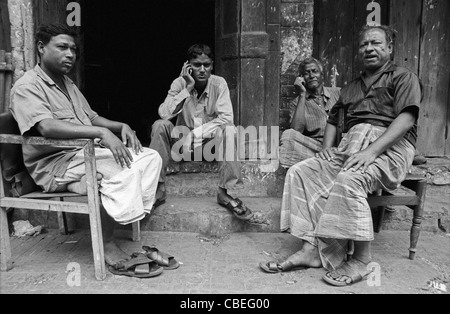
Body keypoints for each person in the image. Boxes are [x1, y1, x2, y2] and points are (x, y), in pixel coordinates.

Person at [260, 25, 422, 287]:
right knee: (300, 172)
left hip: (389, 146)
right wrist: (326, 147)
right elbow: (334, 119)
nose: (369, 48)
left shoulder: (403, 77)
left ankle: (361, 259)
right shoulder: (351, 87)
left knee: (350, 178)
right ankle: (310, 249)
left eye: (376, 43)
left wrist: (371, 150)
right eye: (363, 44)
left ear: (389, 48)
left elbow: (406, 119)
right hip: (350, 145)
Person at [10, 23, 163, 271]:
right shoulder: (27, 86)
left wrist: (119, 125)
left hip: (84, 152)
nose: (70, 54)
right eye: (62, 47)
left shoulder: (67, 83)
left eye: (73, 48)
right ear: (41, 47)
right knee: (120, 170)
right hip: (56, 162)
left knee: (150, 157)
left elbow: (90, 117)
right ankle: (108, 243)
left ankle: (127, 212)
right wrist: (102, 134)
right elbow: (46, 128)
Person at [150, 44, 260, 223]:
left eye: (206, 65)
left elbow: (226, 118)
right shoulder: (179, 83)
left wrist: (196, 134)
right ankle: (159, 189)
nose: (202, 70)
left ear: (212, 65)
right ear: (188, 66)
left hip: (209, 146)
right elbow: (164, 113)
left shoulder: (219, 83)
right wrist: (187, 88)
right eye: (196, 65)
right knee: (159, 125)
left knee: (230, 129)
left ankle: (224, 193)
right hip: (182, 146)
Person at [279, 58, 340, 168]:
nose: (311, 76)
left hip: (341, 145)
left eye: (314, 71)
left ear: (322, 74)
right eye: (307, 73)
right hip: (316, 149)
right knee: (288, 136)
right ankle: (323, 162)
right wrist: (302, 94)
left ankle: (328, 161)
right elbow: (296, 131)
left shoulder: (338, 93)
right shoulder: (297, 103)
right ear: (302, 78)